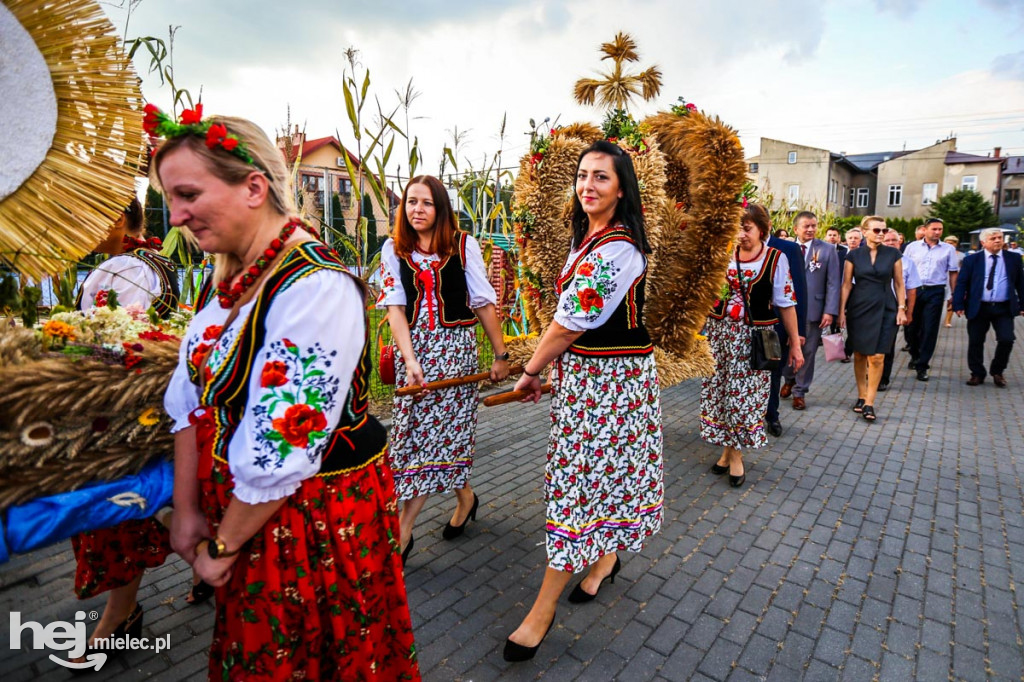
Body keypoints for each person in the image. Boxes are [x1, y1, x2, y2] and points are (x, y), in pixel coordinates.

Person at [154, 107, 419, 680]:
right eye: (170, 198)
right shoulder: (228, 277)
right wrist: (188, 513)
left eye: (187, 194)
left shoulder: (315, 286)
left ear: (253, 187)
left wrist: (218, 551)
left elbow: (280, 451)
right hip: (251, 516)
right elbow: (189, 398)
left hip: (311, 521)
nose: (176, 216)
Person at [504, 140, 663, 662]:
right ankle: (604, 560)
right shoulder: (588, 239)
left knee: (578, 485)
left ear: (622, 189)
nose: (588, 185)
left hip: (613, 389)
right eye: (583, 175)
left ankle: (543, 610)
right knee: (596, 477)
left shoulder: (620, 247)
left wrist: (531, 371)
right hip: (591, 380)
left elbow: (572, 321)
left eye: (601, 177)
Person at [68, 198, 181, 666]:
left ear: (115, 218)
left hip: (119, 410)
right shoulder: (155, 262)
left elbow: (112, 345)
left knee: (116, 514)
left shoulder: (121, 270)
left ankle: (120, 616)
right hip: (144, 407)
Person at [376, 174, 509, 563]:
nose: (417, 209)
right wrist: (411, 359)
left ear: (441, 209)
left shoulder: (464, 247)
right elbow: (395, 309)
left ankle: (402, 531)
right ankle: (465, 497)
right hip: (413, 355)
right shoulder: (393, 249)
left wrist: (501, 356)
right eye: (411, 202)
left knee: (436, 436)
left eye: (427, 203)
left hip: (455, 354)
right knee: (412, 437)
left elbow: (484, 303)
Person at [703, 203, 803, 483]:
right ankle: (727, 452)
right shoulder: (724, 255)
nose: (741, 234)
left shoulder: (775, 258)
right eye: (736, 228)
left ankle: (734, 457)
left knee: (742, 398)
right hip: (720, 335)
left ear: (762, 229)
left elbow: (786, 304)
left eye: (746, 228)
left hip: (755, 338)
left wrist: (795, 344)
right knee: (721, 393)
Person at [838, 217, 907, 422]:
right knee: (859, 353)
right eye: (877, 230)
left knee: (878, 356)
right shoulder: (853, 255)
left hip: (886, 306)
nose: (881, 234)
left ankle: (870, 402)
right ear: (864, 231)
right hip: (859, 306)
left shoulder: (894, 253)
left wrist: (902, 309)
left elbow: (899, 283)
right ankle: (861, 395)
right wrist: (841, 311)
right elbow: (846, 285)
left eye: (884, 230)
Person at [781, 212, 839, 410]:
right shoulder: (786, 248)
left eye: (814, 225)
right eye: (806, 226)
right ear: (796, 228)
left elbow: (833, 283)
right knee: (787, 348)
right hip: (788, 308)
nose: (811, 229)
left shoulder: (827, 250)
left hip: (814, 310)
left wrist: (829, 311)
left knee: (808, 352)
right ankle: (788, 379)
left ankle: (800, 391)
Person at [952, 227, 1024, 387]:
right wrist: (957, 303)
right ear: (983, 242)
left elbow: (1020, 283)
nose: (998, 240)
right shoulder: (972, 260)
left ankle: (997, 371)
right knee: (976, 341)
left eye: (1000, 237)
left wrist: (1022, 304)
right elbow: (962, 283)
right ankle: (977, 373)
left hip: (1003, 308)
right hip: (979, 307)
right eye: (993, 238)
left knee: (1007, 339)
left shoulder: (1013, 258)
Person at [764, 220, 807, 436]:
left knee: (773, 372)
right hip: (744, 327)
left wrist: (798, 333)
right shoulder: (734, 247)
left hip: (775, 328)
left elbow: (798, 290)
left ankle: (772, 416)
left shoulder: (787, 249)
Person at [903, 217, 959, 381]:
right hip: (914, 290)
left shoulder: (948, 249)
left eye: (940, 229)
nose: (937, 232)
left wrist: (953, 294)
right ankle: (914, 354)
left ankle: (923, 365)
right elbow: (903, 267)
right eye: (934, 229)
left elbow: (953, 272)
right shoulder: (912, 247)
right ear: (925, 230)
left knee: (930, 329)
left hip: (935, 291)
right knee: (911, 327)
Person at [878, 229, 921, 391]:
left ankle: (883, 378)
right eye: (886, 240)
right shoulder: (873, 259)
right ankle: (871, 372)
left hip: (895, 308)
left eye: (893, 241)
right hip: (872, 307)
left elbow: (912, 290)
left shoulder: (908, 262)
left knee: (887, 344)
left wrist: (908, 312)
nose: (890, 243)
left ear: (899, 243)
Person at [942, 235, 964, 327]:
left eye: (951, 243)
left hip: (954, 278)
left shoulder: (961, 255)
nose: (949, 244)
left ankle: (948, 320)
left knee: (951, 299)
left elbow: (962, 268)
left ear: (956, 244)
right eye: (947, 243)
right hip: (942, 278)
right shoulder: (940, 253)